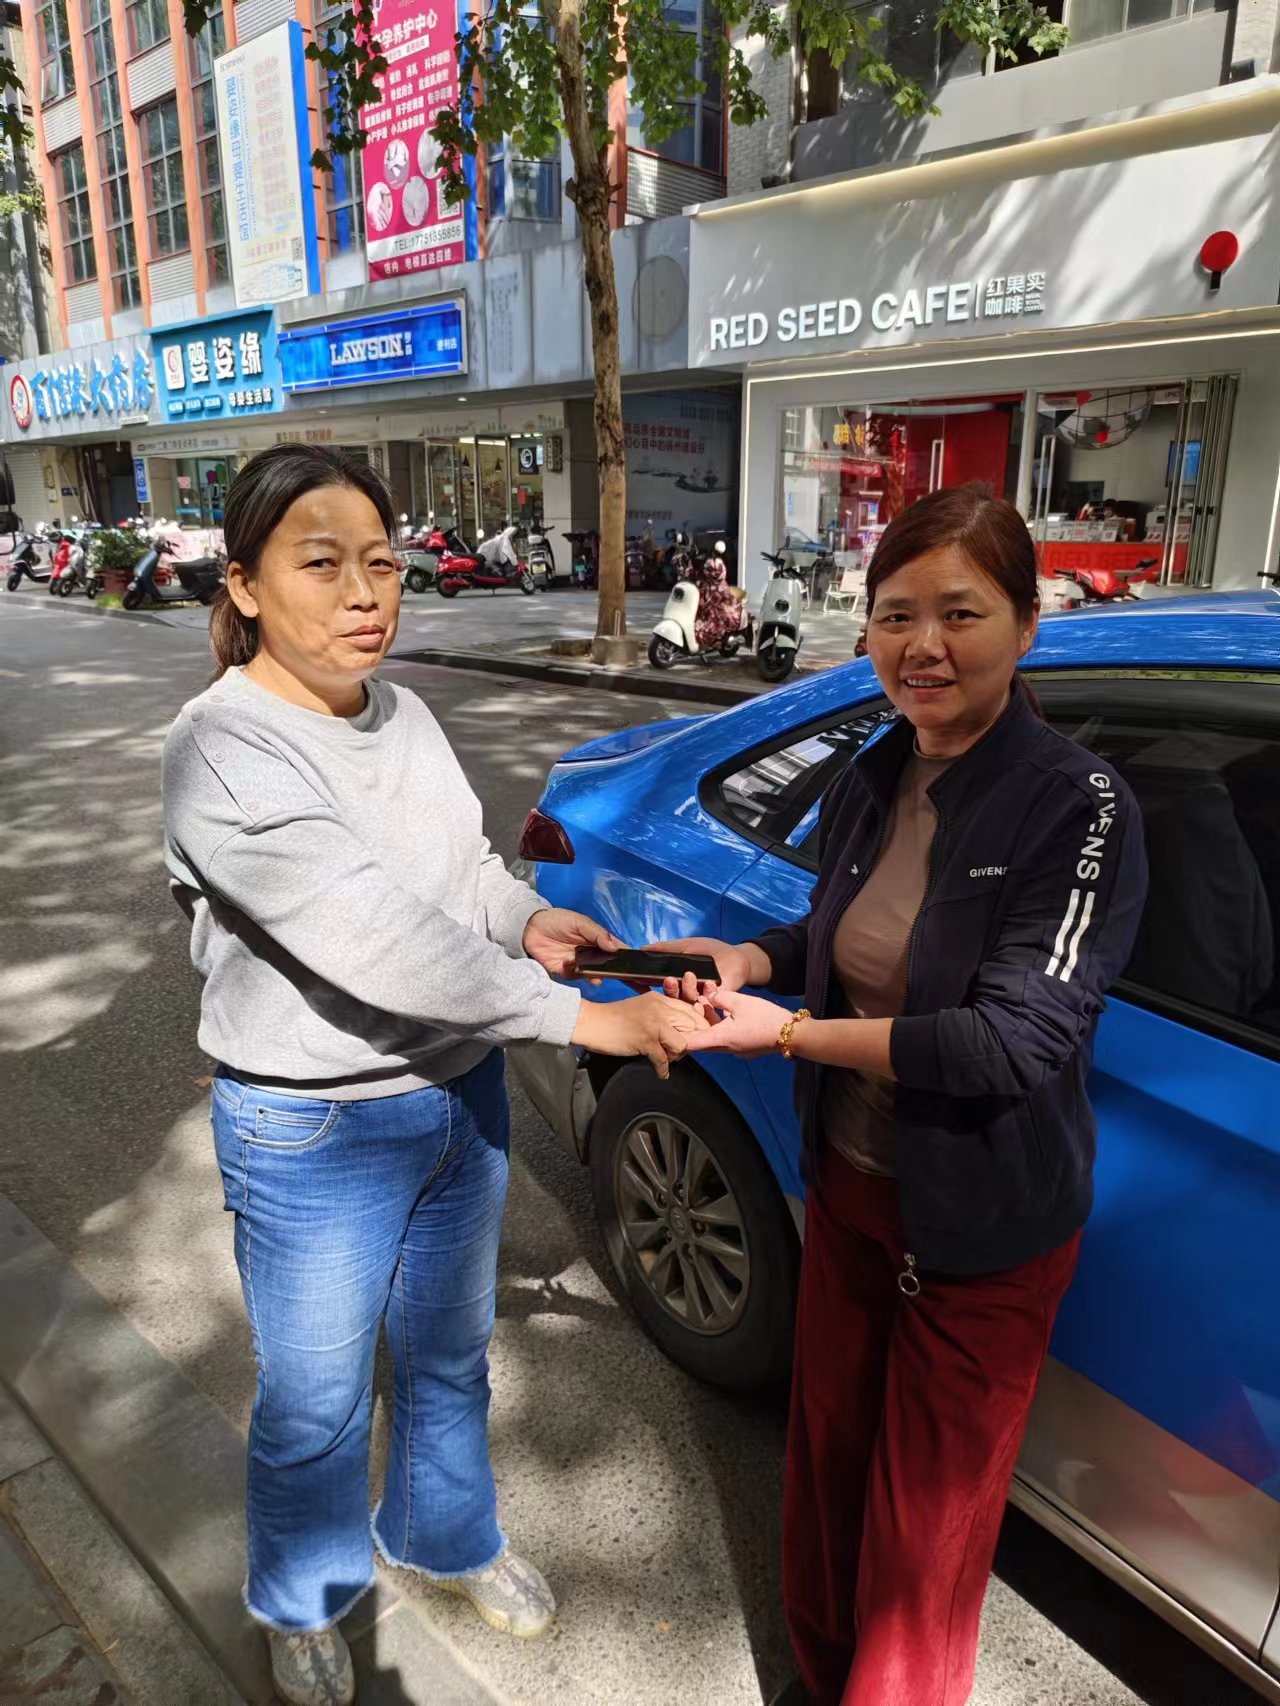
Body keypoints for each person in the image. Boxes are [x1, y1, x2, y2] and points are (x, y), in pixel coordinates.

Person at [161, 444, 705, 1706]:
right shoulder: (221, 747)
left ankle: (441, 1536)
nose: (365, 592)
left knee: (451, 1355)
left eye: (381, 562)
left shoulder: (400, 714)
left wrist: (528, 920)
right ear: (242, 584)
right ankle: (305, 1595)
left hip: (459, 1101)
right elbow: (378, 937)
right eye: (321, 563)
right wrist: (582, 1019)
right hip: (312, 1130)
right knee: (314, 1403)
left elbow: (459, 873)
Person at [658, 483, 1149, 1706]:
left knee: (923, 1540)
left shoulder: (1076, 803)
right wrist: (751, 960)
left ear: (1024, 625)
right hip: (850, 1193)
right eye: (893, 614)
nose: (921, 645)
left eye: (959, 613)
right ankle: (819, 1677)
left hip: (981, 1231)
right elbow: (844, 933)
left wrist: (792, 1036)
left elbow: (1009, 1039)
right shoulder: (874, 771)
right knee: (825, 1461)